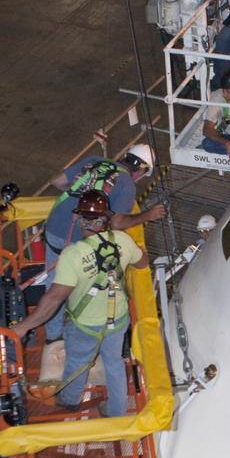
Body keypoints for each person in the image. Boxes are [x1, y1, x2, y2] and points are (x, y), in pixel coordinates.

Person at [11, 191, 149, 418]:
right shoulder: (123, 240)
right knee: (114, 363)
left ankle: (71, 399)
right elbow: (142, 262)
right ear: (106, 219)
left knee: (77, 361)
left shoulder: (73, 255)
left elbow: (53, 298)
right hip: (118, 319)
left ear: (83, 221)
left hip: (85, 325)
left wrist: (24, 326)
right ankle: (118, 413)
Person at [42, 144, 164, 342]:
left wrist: (81, 198)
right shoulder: (126, 184)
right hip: (76, 239)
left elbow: (56, 181)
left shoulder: (94, 160)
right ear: (140, 169)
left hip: (54, 226)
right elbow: (117, 223)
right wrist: (147, 216)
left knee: (53, 282)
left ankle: (52, 335)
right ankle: (59, 333)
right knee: (69, 287)